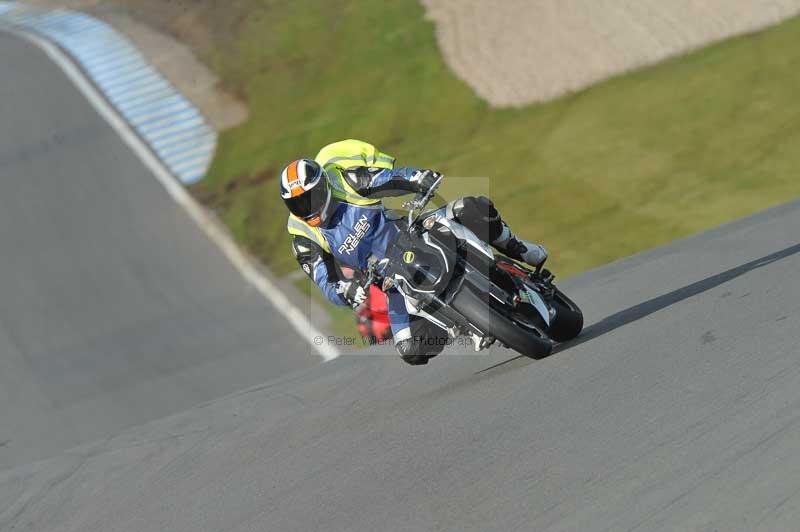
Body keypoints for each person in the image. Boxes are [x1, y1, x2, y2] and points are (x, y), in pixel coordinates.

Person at [281, 139, 548, 366]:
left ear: (323, 186)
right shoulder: (303, 236)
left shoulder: (344, 181)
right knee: (410, 349)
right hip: (387, 278)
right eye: (297, 204)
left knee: (468, 208)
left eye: (310, 198)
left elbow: (386, 178)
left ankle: (518, 247)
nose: (307, 208)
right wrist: (345, 291)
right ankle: (459, 325)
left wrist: (417, 179)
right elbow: (324, 280)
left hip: (411, 233)